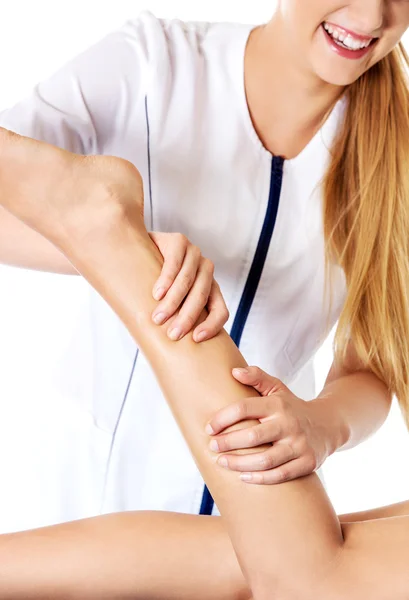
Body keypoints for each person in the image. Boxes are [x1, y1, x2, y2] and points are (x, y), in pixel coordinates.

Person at [0, 0, 408, 530]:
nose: (374, 15)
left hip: (252, 537)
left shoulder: (398, 156)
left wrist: (321, 426)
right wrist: (124, 252)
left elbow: (372, 365)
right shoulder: (153, 62)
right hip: (77, 500)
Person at [1, 169, 409, 600]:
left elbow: (375, 358)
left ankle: (111, 243)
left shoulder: (388, 153)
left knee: (265, 564)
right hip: (94, 466)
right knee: (300, 572)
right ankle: (112, 245)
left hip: (251, 478)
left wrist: (327, 425)